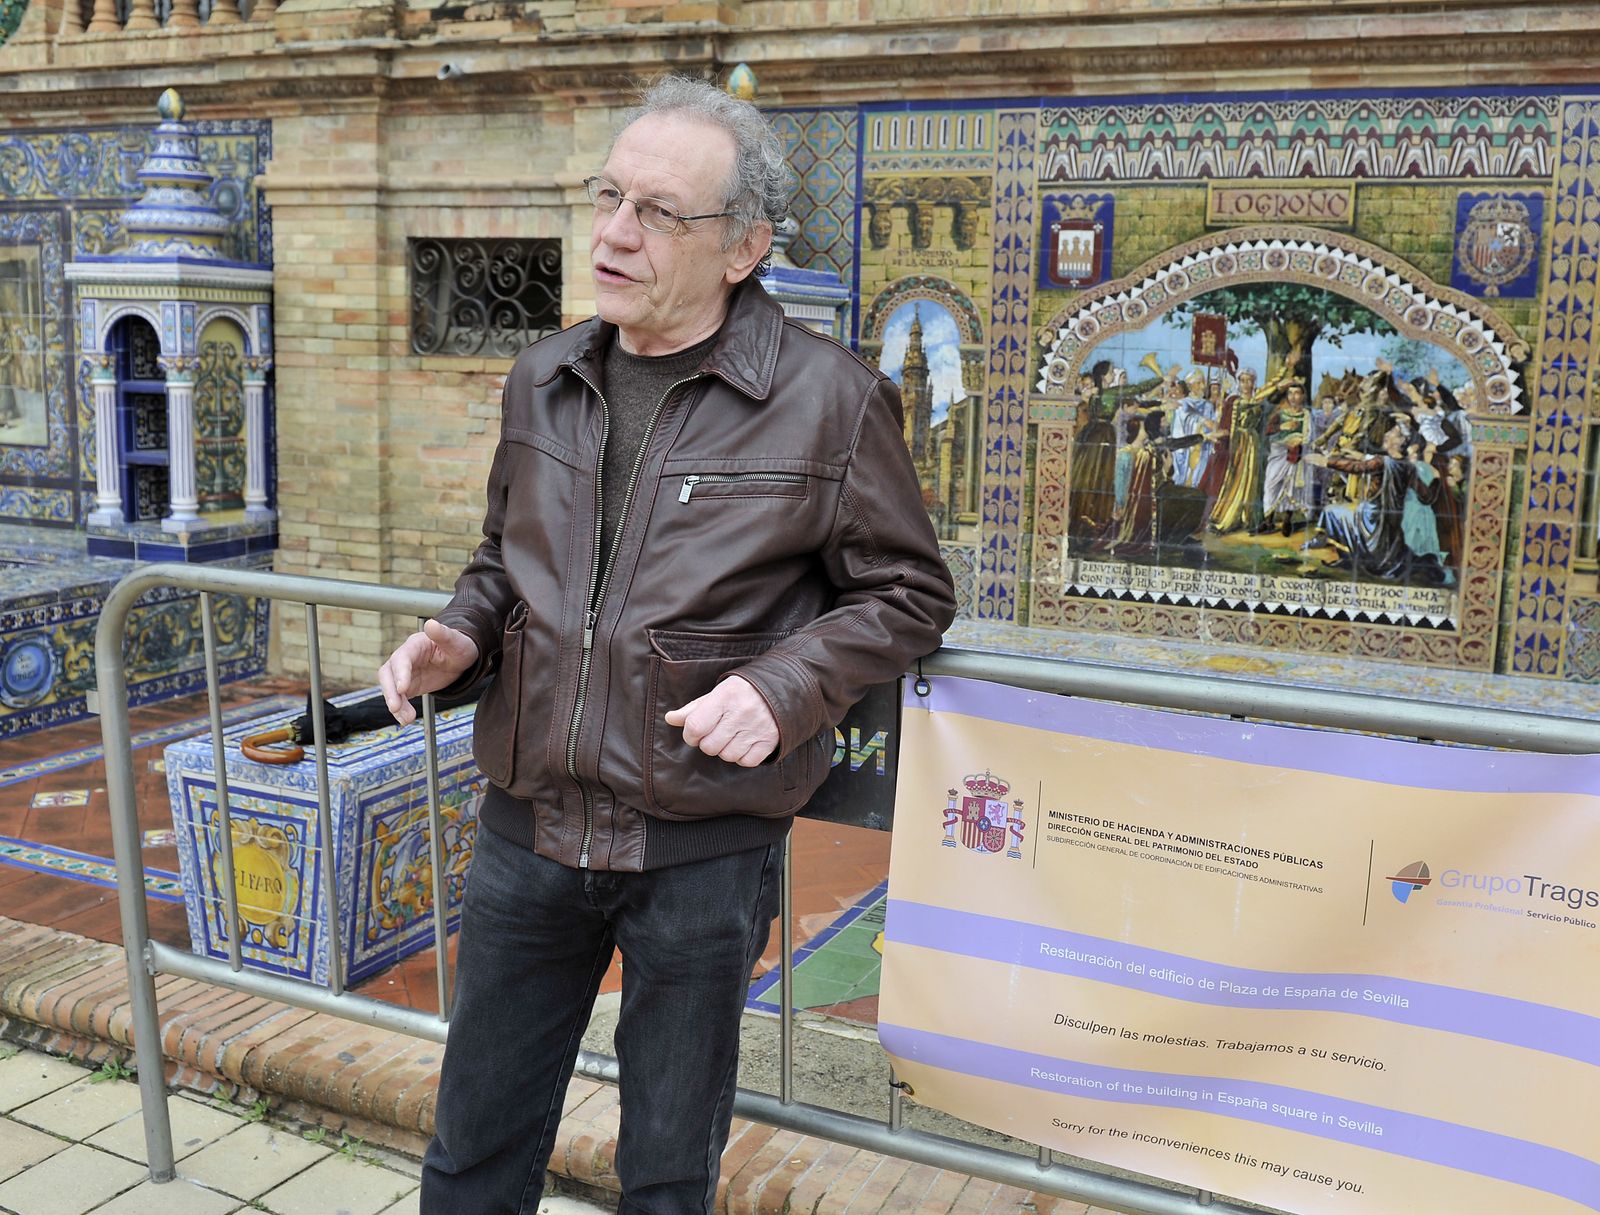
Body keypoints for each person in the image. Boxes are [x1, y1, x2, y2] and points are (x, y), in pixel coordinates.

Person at [378, 77, 956, 1214]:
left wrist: (786, 686)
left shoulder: (830, 402)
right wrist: (461, 632)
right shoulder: (544, 378)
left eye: (657, 212)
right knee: (471, 1152)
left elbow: (908, 592)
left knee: (666, 1175)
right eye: (608, 197)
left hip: (699, 852)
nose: (613, 233)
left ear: (743, 247)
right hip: (527, 831)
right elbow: (504, 558)